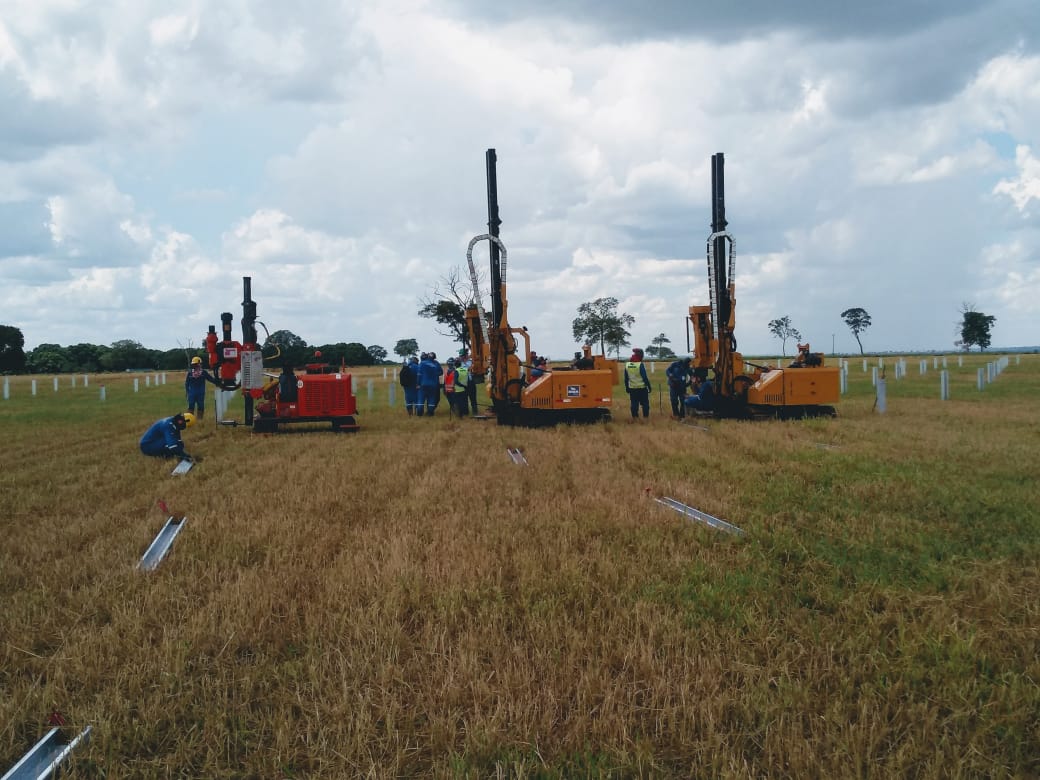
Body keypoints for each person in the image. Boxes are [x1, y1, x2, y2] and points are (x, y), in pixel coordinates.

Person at [624, 347, 652, 420]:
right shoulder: (640, 365)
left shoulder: (627, 365)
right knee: (645, 404)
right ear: (640, 356)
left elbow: (626, 378)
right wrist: (649, 386)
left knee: (634, 404)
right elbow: (644, 377)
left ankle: (635, 418)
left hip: (632, 388)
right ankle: (645, 418)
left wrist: (627, 387)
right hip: (642, 388)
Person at [417, 351, 443, 416]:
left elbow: (419, 374)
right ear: (434, 358)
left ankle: (420, 413)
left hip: (423, 384)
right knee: (432, 398)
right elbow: (441, 372)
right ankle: (430, 412)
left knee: (421, 398)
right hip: (434, 385)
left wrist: (418, 384)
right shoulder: (436, 364)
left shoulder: (422, 363)